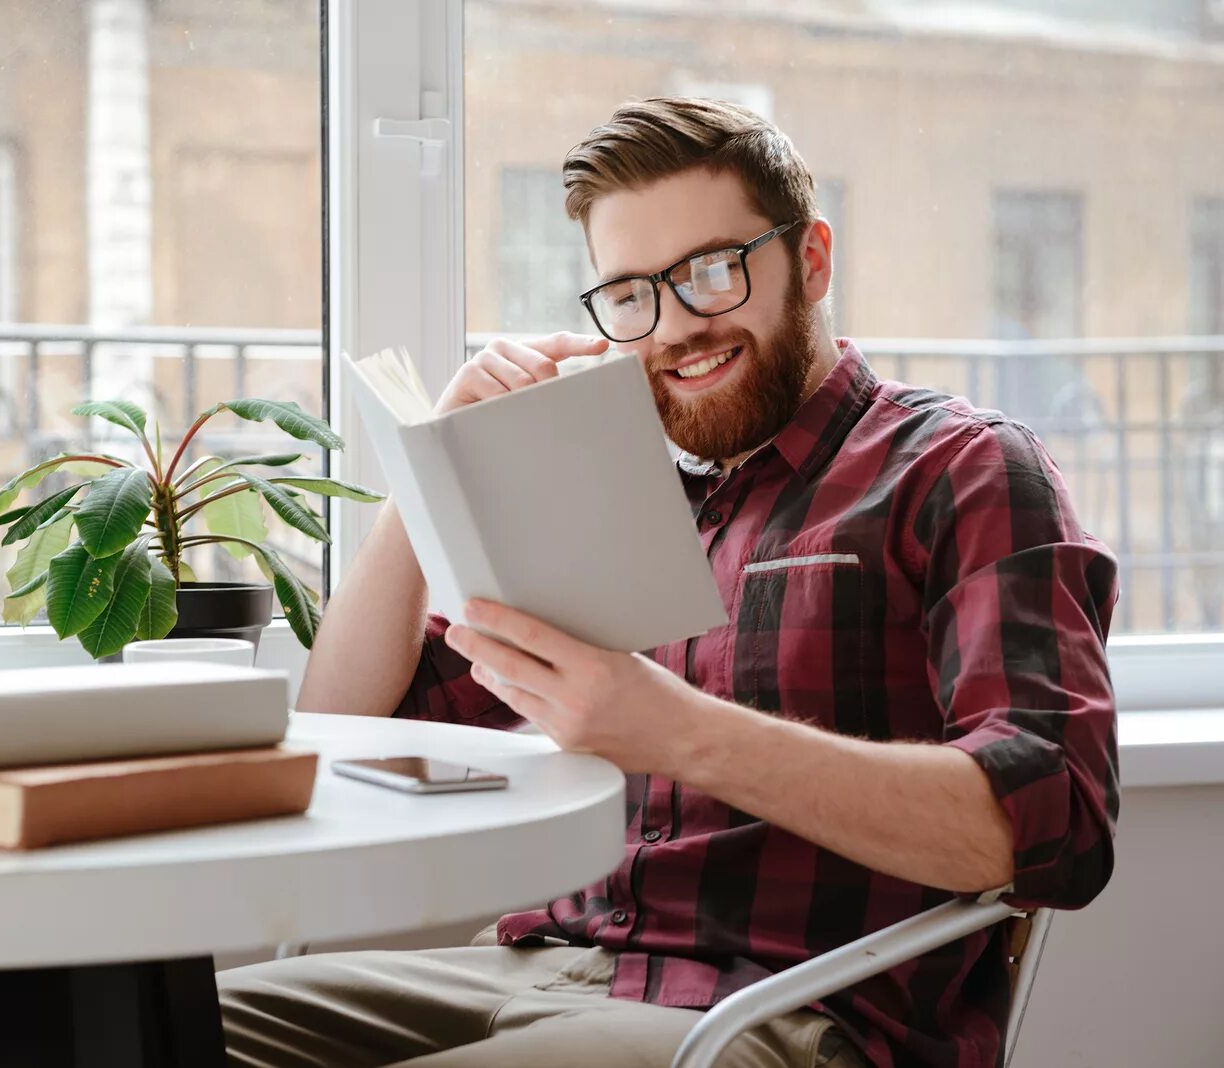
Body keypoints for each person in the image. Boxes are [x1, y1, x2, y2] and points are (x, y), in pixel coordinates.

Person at [218, 97, 1119, 1068]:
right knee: (145, 1025)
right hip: (539, 966)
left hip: (779, 1013)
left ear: (810, 260)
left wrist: (675, 732)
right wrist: (430, 465)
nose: (676, 325)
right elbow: (350, 720)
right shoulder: (619, 491)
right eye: (631, 293)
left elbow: (1054, 829)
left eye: (710, 271)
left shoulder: (962, 469)